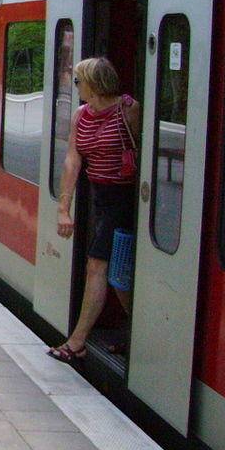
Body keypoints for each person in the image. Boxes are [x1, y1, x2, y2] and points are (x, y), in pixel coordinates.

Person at [49, 56, 141, 364]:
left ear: (94, 83)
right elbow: (73, 161)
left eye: (77, 81)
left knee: (98, 266)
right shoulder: (81, 115)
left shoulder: (128, 110)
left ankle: (77, 343)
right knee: (119, 274)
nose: (75, 87)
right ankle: (138, 332)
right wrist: (64, 208)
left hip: (124, 199)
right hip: (99, 198)